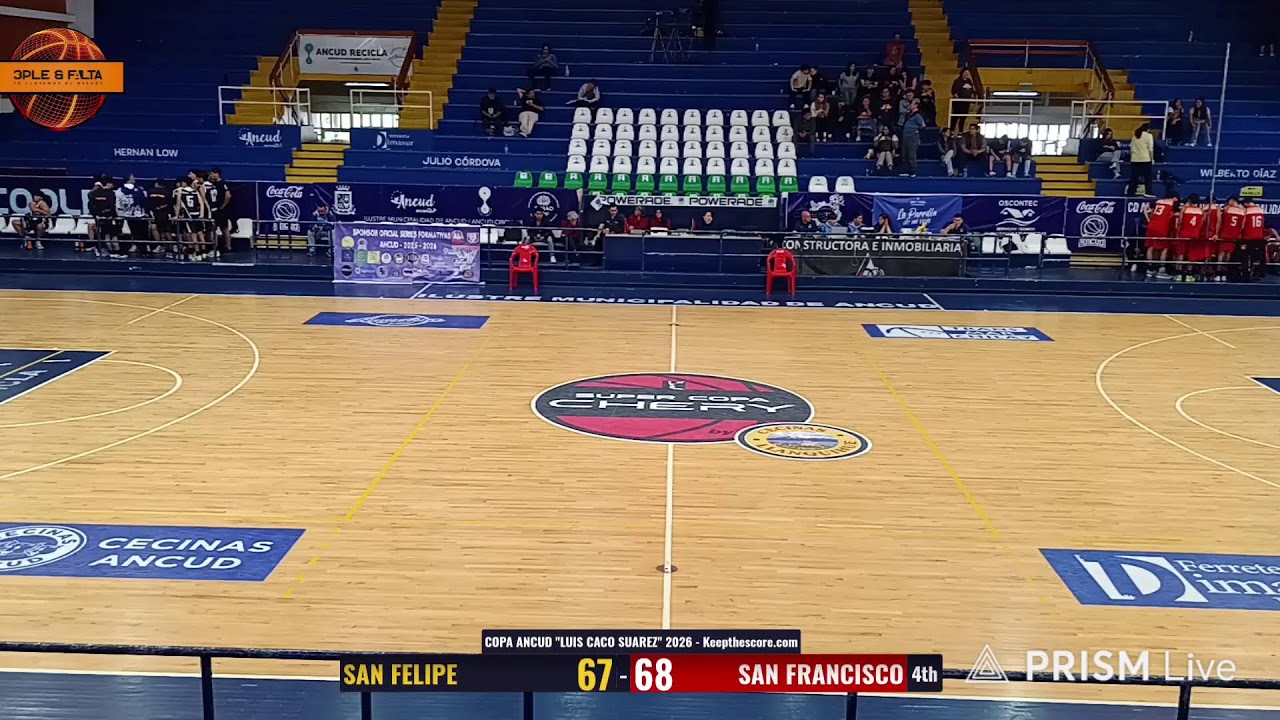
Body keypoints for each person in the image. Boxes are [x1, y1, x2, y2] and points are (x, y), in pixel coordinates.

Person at [1143, 194, 1177, 278]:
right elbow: (1172, 215)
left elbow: (1145, 207)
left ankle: (1150, 269)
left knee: (1151, 247)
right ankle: (1161, 270)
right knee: (1164, 248)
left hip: (1151, 225)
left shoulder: (1158, 201)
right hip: (1161, 227)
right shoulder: (1173, 203)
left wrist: (1148, 220)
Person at [88, 175, 122, 258]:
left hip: (99, 218)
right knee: (112, 235)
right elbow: (112, 206)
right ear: (108, 184)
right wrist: (110, 215)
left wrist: (97, 215)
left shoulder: (93, 193)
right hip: (109, 218)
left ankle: (105, 250)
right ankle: (115, 251)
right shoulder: (111, 193)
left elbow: (91, 206)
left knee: (105, 234)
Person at [115, 173, 149, 255]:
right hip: (130, 215)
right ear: (129, 179)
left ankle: (143, 247)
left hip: (139, 215)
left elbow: (144, 202)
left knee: (142, 232)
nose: (134, 178)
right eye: (132, 177)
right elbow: (118, 205)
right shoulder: (120, 191)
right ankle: (137, 246)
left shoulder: (139, 189)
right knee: (136, 232)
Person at [1173, 193, 1204, 282]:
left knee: (1181, 254)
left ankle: (1178, 273)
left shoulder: (1185, 209)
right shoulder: (1201, 211)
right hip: (1194, 235)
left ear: (1189, 200)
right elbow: (1201, 224)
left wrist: (1178, 233)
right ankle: (1189, 275)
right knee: (1191, 255)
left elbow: (1180, 222)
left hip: (1184, 234)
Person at [207, 168, 232, 257]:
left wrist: (223, 206)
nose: (211, 175)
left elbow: (228, 195)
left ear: (218, 174)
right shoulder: (211, 184)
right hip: (215, 209)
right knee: (214, 229)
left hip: (221, 210)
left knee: (224, 228)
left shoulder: (223, 183)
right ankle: (216, 247)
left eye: (213, 174)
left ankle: (228, 247)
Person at [1219, 196, 1245, 281]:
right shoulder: (1242, 211)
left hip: (1225, 233)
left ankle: (1219, 272)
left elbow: (1220, 220)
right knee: (1228, 254)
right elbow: (1242, 226)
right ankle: (1224, 273)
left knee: (1221, 253)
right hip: (1234, 235)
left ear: (1232, 200)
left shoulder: (1227, 208)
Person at [1242, 197, 1268, 280]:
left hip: (1249, 237)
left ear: (1246, 203)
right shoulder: (1260, 210)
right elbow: (1263, 225)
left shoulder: (1245, 210)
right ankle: (1261, 272)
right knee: (1260, 256)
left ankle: (1246, 274)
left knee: (1246, 256)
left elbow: (1243, 224)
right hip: (1259, 237)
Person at [1126, 123, 1155, 197]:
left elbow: (1131, 148)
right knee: (1147, 177)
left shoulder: (1135, 136)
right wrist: (1152, 159)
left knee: (1134, 177)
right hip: (1145, 159)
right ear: (1148, 129)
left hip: (1134, 159)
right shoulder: (1148, 136)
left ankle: (1131, 192)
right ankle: (1148, 192)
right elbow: (1150, 149)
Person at [149, 180, 175, 257]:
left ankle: (170, 249)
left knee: (165, 232)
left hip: (163, 215)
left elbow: (170, 204)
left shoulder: (166, 193)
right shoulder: (168, 192)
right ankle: (164, 247)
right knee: (161, 231)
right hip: (159, 215)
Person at [900, 100, 925, 177]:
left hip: (912, 137)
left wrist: (915, 130)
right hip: (906, 137)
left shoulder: (917, 115)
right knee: (905, 154)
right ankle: (907, 170)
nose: (910, 105)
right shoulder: (909, 114)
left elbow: (923, 125)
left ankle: (913, 171)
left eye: (912, 104)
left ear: (916, 105)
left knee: (911, 155)